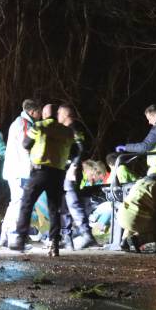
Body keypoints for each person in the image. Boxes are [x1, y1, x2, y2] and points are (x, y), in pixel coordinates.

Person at [9, 104, 83, 256]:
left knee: (27, 203)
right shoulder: (67, 131)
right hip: (58, 173)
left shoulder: (38, 126)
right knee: (54, 209)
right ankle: (54, 243)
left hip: (39, 171)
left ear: (43, 114)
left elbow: (25, 144)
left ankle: (21, 239)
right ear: (56, 114)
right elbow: (76, 150)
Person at [114, 104, 156, 248]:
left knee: (141, 206)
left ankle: (134, 239)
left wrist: (126, 147)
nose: (149, 122)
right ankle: (127, 241)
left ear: (154, 115)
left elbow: (144, 147)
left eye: (149, 118)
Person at [0, 99, 42, 247]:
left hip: (15, 169)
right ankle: (13, 237)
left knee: (14, 203)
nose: (40, 115)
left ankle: (5, 236)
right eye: (39, 112)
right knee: (19, 203)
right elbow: (27, 146)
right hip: (20, 170)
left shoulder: (19, 122)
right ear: (32, 112)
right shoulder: (25, 124)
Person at [58, 104, 97, 249]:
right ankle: (66, 237)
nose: (57, 116)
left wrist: (73, 166)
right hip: (64, 170)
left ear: (65, 115)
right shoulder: (64, 130)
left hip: (70, 171)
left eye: (59, 113)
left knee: (72, 202)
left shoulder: (74, 129)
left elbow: (81, 149)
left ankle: (86, 234)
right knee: (64, 205)